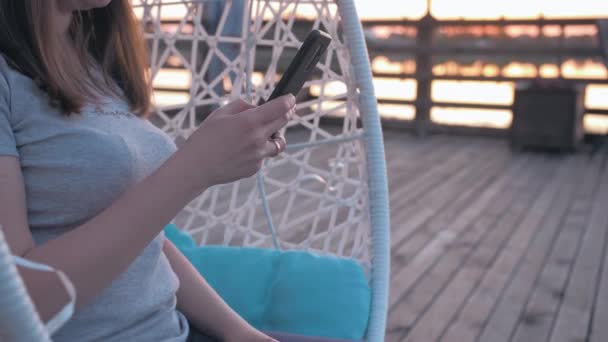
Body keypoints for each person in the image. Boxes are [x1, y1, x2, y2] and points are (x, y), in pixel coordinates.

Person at [0, 0, 297, 341]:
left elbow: (146, 240)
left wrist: (240, 333)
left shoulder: (90, 56)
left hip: (173, 328)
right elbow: (16, 310)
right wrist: (194, 167)